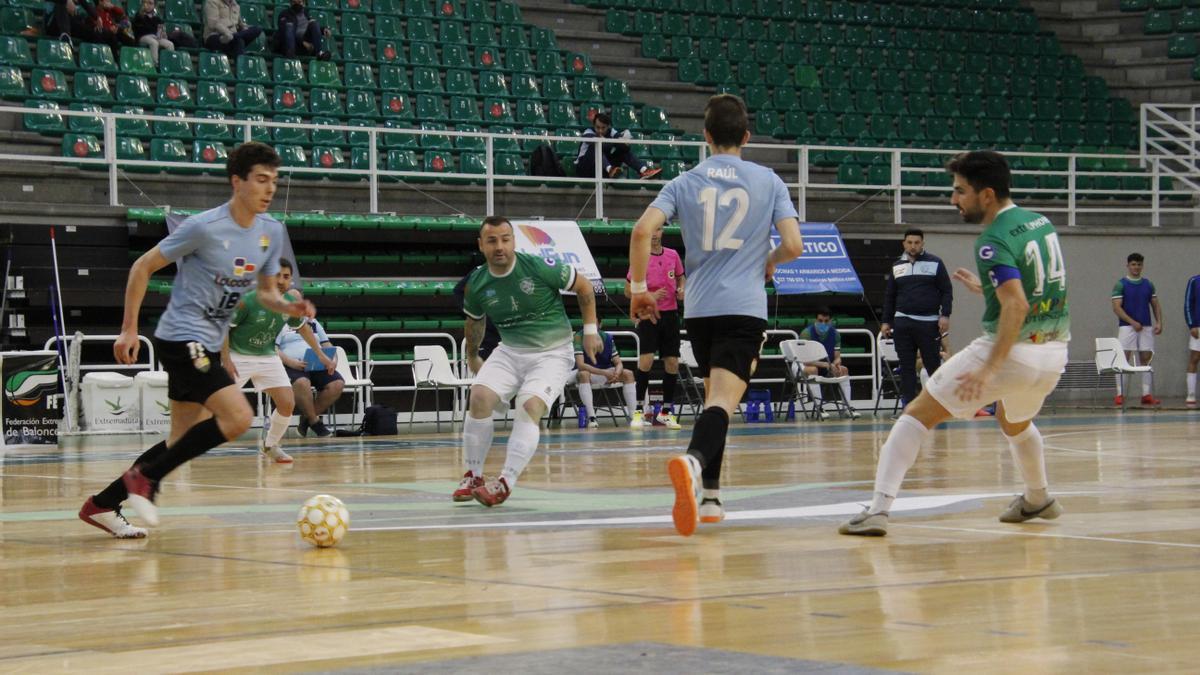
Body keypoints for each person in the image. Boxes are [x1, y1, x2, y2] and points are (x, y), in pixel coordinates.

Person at [79, 142, 312, 538]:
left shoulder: (270, 232)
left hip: (205, 340)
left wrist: (290, 307)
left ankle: (101, 504)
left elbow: (267, 292)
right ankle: (146, 479)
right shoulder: (204, 226)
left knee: (179, 440)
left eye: (274, 180)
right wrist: (129, 328)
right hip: (182, 336)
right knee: (238, 417)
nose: (269, 188)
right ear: (237, 182)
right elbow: (142, 266)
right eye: (260, 180)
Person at [840, 150, 1070, 537]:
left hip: (1012, 351)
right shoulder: (1040, 222)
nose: (953, 200)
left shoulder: (991, 240)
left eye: (960, 191)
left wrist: (989, 369)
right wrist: (990, 288)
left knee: (915, 415)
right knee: (1014, 421)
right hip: (1053, 355)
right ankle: (1038, 497)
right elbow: (1036, 289)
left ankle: (878, 509)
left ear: (987, 194)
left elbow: (1016, 305)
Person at [629, 94, 803, 537]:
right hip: (743, 308)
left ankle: (710, 498)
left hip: (701, 309)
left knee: (713, 401)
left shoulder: (684, 181)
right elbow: (794, 245)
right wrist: (771, 260)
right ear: (746, 136)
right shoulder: (769, 181)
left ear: (705, 136)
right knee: (724, 403)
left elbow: (642, 230)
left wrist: (637, 290)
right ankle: (692, 462)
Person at [457, 216, 602, 507]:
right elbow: (474, 322)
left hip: (552, 353)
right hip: (510, 350)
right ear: (481, 245)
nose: (500, 246)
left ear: (513, 241)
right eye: (492, 240)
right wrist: (472, 355)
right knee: (480, 396)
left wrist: (589, 331)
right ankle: (474, 475)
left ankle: (506, 482)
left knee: (529, 405)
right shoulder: (477, 282)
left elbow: (585, 287)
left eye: (505, 239)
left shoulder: (537, 267)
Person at [222, 258, 332, 463]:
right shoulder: (249, 300)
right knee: (217, 408)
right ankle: (182, 440)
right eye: (277, 275)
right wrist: (226, 358)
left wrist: (322, 356)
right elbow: (223, 328)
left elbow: (304, 329)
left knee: (287, 403)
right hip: (239, 356)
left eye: (287, 276)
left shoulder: (289, 302)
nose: (282, 280)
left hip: (267, 356)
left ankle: (270, 445)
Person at [880, 228, 953, 409]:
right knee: (906, 367)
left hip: (928, 323)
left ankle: (939, 405)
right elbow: (890, 296)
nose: (913, 246)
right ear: (904, 244)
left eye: (917, 242)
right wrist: (886, 321)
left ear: (923, 243)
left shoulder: (935, 263)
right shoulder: (897, 266)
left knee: (932, 365)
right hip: (903, 322)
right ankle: (909, 407)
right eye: (910, 242)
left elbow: (946, 290)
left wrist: (945, 315)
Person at [623, 221, 684, 429]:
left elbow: (680, 278)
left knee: (672, 362)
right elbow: (627, 291)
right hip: (649, 315)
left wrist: (681, 289)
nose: (655, 233)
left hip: (671, 315)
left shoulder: (673, 255)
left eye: (658, 229)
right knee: (646, 361)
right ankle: (639, 412)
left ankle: (666, 413)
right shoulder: (640, 257)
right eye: (652, 229)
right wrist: (649, 295)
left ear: (663, 231)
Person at [276, 315, 342, 437]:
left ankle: (306, 420)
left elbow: (327, 344)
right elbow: (274, 348)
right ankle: (315, 422)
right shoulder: (279, 321)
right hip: (292, 364)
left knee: (337, 384)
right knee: (302, 382)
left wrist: (333, 360)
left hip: (316, 362)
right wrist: (291, 362)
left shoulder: (313, 322)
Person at [1111, 252, 1162, 406]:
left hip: (1145, 327)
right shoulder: (1121, 284)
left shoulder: (1148, 284)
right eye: (1133, 264)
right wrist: (1132, 322)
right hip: (1127, 327)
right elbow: (1116, 308)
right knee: (1124, 358)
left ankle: (1146, 394)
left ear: (1142, 266)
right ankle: (1120, 394)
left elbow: (1155, 304)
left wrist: (1159, 322)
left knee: (1146, 358)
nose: (1136, 267)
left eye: (1139, 264)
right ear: (1128, 266)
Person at [573, 318, 637, 428]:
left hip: (605, 372)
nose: (590, 326)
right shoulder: (578, 337)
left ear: (600, 324)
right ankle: (592, 418)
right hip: (587, 373)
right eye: (587, 323)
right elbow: (580, 365)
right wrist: (604, 373)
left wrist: (617, 373)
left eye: (593, 323)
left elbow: (618, 362)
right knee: (583, 374)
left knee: (628, 374)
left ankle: (633, 417)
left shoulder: (608, 337)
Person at [797, 307, 859, 418]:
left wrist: (836, 363)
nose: (823, 323)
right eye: (820, 321)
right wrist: (826, 365)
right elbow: (805, 361)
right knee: (813, 369)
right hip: (802, 365)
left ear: (831, 321)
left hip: (826, 365)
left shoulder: (835, 334)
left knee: (844, 370)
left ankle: (848, 407)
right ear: (815, 320)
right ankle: (819, 408)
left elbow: (837, 357)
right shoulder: (806, 334)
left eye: (826, 321)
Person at [574, 112, 662, 180]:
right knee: (596, 144)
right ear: (593, 125)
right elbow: (603, 144)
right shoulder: (588, 132)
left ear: (608, 126)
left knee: (622, 151)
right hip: (585, 169)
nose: (600, 130)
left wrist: (624, 141)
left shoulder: (612, 132)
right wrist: (618, 141)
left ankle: (644, 171)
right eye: (597, 127)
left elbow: (625, 148)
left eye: (603, 128)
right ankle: (610, 169)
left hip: (602, 169)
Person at [132, 0, 197, 64]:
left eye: (150, 3)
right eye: (145, 2)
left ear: (154, 5)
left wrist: (162, 34)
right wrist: (151, 35)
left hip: (155, 37)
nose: (147, 5)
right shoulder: (139, 16)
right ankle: (155, 64)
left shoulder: (157, 18)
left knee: (170, 44)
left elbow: (161, 30)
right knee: (154, 43)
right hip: (143, 37)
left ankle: (169, 64)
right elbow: (138, 30)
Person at [1186, 272, 1200, 408]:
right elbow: (1188, 304)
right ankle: (1191, 394)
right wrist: (1192, 325)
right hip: (1198, 327)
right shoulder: (1194, 281)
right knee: (1194, 359)